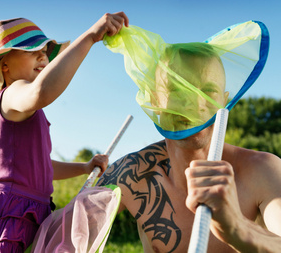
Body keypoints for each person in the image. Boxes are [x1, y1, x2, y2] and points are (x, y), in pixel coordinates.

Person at [0, 12, 129, 252]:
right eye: (30, 50)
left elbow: (42, 166)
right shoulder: (12, 94)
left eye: (45, 51)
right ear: (4, 64)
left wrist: (83, 167)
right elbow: (41, 92)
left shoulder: (28, 111)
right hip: (9, 213)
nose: (42, 55)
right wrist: (89, 37)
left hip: (32, 213)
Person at [97, 42, 281, 252]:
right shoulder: (131, 173)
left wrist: (237, 228)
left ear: (225, 100)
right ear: (156, 99)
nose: (192, 105)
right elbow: (62, 237)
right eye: (177, 90)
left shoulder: (263, 169)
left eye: (208, 91)